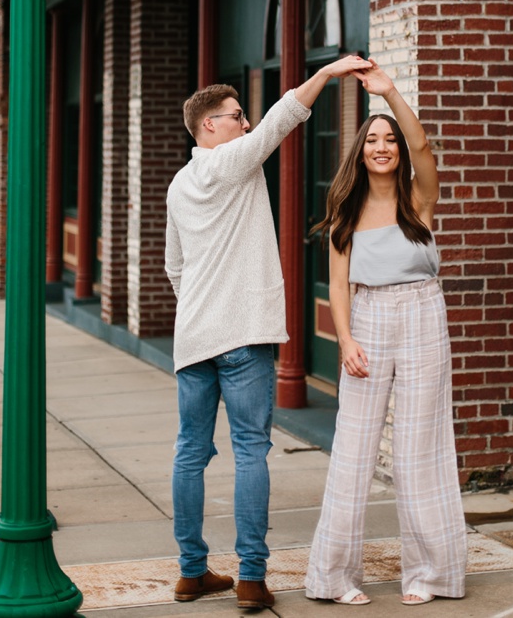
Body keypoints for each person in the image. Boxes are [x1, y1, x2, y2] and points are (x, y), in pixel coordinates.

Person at [166, 54, 371, 612]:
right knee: (251, 449)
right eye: (236, 116)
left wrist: (199, 310)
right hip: (243, 336)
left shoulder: (179, 184)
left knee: (190, 453)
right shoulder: (229, 162)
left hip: (193, 339)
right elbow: (285, 115)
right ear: (210, 124)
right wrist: (328, 74)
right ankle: (251, 579)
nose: (246, 123)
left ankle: (191, 573)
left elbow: (174, 267)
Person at [303, 61, 466, 605]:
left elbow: (423, 147)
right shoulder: (345, 212)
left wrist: (390, 94)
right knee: (354, 450)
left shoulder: (418, 201)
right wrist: (346, 340)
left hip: (422, 315)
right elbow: (339, 286)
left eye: (388, 139)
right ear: (360, 151)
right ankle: (333, 577)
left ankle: (432, 575)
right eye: (371, 139)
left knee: (421, 450)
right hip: (368, 321)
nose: (382, 146)